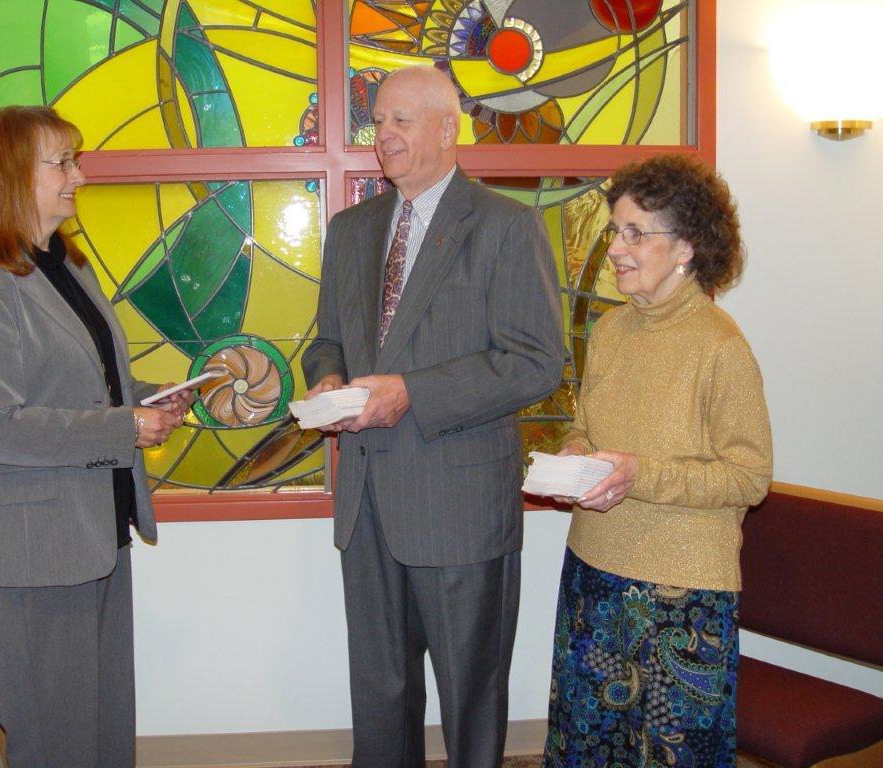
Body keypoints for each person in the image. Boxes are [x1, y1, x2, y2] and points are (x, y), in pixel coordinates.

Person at [302, 66, 564, 767]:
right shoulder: (351, 230)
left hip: (459, 499)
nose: (382, 135)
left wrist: (412, 391)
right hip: (366, 503)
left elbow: (537, 361)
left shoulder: (507, 225)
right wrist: (325, 376)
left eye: (399, 121)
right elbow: (326, 336)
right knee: (380, 695)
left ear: (449, 129)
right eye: (378, 121)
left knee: (470, 695)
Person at [0, 105, 193, 767]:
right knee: (57, 743)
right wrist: (124, 425)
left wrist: (154, 402)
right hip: (35, 549)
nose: (79, 174)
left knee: (105, 732)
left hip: (96, 533)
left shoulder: (66, 268)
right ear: (11, 174)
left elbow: (89, 390)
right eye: (62, 161)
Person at [542, 154, 773, 768]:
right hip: (593, 570)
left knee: (673, 754)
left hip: (683, 593)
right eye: (614, 230)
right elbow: (587, 427)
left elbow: (749, 477)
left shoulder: (721, 347)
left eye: (636, 233)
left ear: (687, 248)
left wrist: (640, 475)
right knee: (586, 746)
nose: (616, 247)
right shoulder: (612, 331)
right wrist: (574, 458)